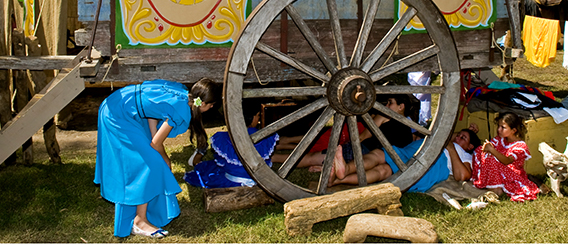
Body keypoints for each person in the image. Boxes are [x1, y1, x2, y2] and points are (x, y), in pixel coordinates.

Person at [94, 78, 218, 238]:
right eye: (212, 104)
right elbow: (156, 144)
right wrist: (165, 158)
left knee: (149, 158)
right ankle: (139, 221)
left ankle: (142, 210)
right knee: (150, 164)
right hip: (117, 115)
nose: (212, 107)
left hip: (120, 105)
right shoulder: (182, 110)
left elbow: (152, 112)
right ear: (202, 103)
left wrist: (154, 138)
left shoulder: (182, 93)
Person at [272, 95, 416, 171]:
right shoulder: (407, 129)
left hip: (362, 151)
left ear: (400, 107)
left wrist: (347, 145)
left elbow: (365, 135)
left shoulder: (386, 116)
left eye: (390, 103)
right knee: (317, 154)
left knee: (311, 157)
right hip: (377, 161)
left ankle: (273, 158)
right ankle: (330, 167)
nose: (386, 106)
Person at [330, 126, 481, 193]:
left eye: (463, 138)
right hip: (414, 150)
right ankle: (346, 169)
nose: (458, 137)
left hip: (431, 164)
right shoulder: (450, 141)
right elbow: (446, 130)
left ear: (470, 146)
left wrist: (452, 148)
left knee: (384, 171)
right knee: (378, 154)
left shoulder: (465, 155)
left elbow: (462, 176)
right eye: (459, 134)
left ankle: (339, 180)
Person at [184, 104, 279, 188]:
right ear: (253, 118)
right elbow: (266, 161)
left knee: (209, 167)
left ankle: (197, 158)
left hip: (232, 180)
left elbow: (220, 160)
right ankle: (197, 158)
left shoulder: (225, 138)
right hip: (257, 180)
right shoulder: (262, 137)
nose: (258, 119)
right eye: (258, 116)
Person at [472, 111, 541, 202]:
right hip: (500, 171)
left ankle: (496, 188)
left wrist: (492, 150)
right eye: (499, 126)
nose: (499, 130)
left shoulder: (520, 146)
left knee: (491, 157)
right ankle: (489, 183)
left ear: (513, 130)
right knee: (480, 151)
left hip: (512, 173)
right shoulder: (500, 140)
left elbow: (507, 161)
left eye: (503, 127)